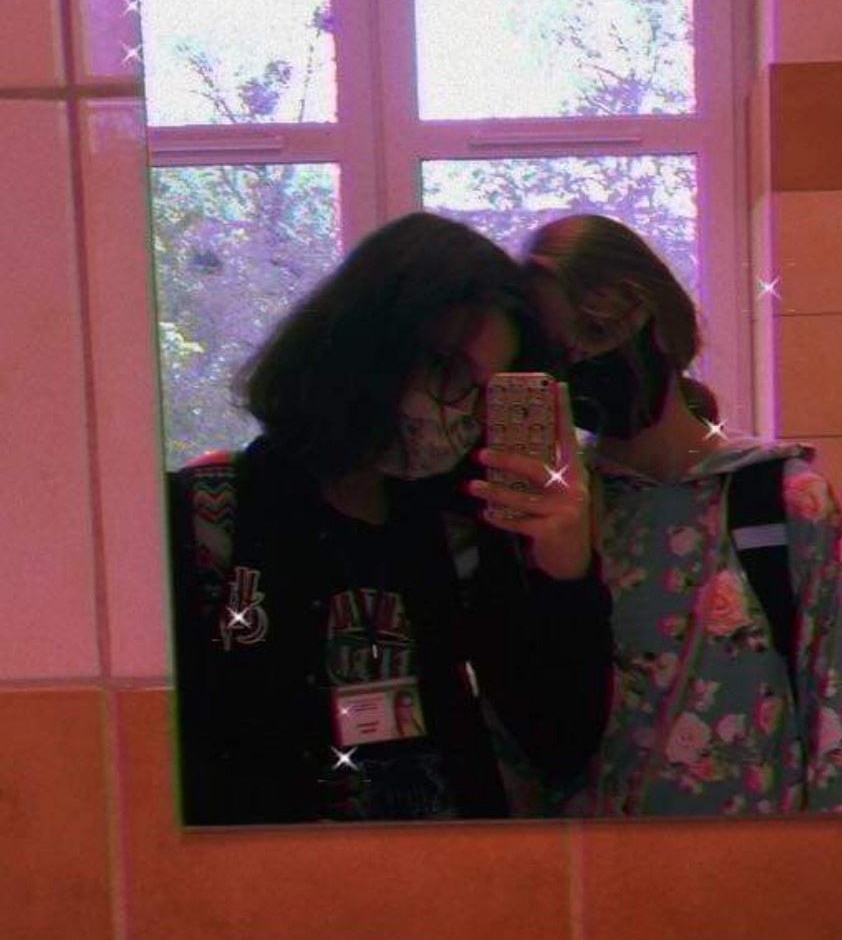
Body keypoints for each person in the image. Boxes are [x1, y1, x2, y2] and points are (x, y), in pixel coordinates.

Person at [167, 212, 612, 824]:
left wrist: (567, 574)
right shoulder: (209, 517)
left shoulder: (461, 531)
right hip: (265, 880)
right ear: (366, 338)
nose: (458, 410)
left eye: (484, 391)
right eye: (447, 368)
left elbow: (561, 743)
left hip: (450, 873)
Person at [524, 212, 842, 816]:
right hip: (593, 863)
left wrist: (838, 861)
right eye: (558, 351)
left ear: (658, 321)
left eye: (597, 330)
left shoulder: (781, 498)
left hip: (760, 860)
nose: (583, 361)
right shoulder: (557, 515)